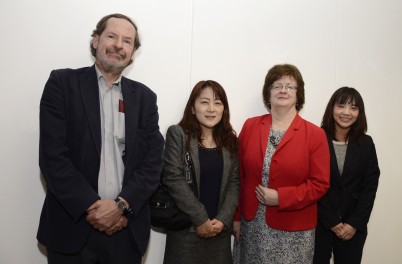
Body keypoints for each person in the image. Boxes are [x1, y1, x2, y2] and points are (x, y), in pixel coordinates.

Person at [37, 13, 164, 264]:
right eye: (112, 36)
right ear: (95, 41)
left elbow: (152, 163)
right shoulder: (62, 84)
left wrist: (120, 206)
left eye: (127, 41)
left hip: (125, 229)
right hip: (72, 228)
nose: (119, 44)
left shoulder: (145, 99)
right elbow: (53, 158)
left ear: (133, 52)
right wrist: (93, 207)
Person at [233, 64, 330, 263]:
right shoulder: (251, 126)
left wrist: (281, 197)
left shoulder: (315, 135)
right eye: (277, 85)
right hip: (252, 227)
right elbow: (238, 176)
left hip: (294, 231)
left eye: (290, 86)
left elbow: (320, 185)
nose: (283, 90)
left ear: (298, 94)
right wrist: (235, 217)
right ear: (268, 94)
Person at [162, 80, 240, 264]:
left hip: (219, 234)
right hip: (186, 234)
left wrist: (223, 220)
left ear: (224, 109)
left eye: (218, 103)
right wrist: (201, 219)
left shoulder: (230, 142)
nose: (211, 109)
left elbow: (234, 183)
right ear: (192, 108)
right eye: (204, 102)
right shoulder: (178, 134)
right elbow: (173, 178)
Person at [313, 87, 380, 264]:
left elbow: (370, 187)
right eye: (341, 106)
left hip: (353, 226)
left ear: (360, 113)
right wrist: (331, 220)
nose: (346, 112)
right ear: (332, 108)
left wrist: (354, 223)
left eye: (353, 108)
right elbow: (311, 182)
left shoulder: (366, 143)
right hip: (320, 223)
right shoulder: (316, 138)